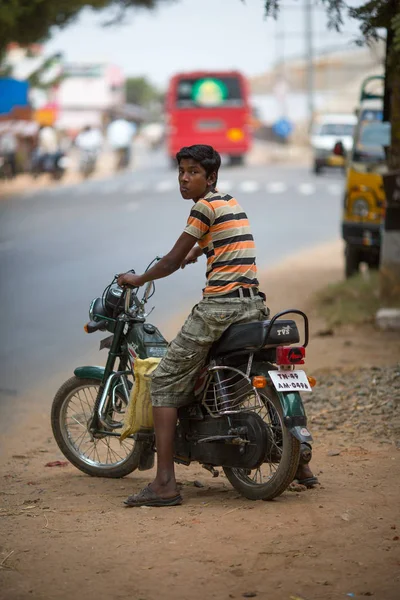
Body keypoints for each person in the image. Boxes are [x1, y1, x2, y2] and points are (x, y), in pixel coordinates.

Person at [117, 144, 317, 507]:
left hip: (219, 310)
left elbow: (172, 260)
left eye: (192, 172)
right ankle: (298, 464)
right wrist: (200, 252)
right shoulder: (229, 203)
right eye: (180, 171)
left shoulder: (202, 207)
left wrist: (139, 277)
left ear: (210, 177)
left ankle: (164, 483)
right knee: (221, 370)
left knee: (163, 379)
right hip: (253, 306)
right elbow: (219, 243)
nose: (184, 178)